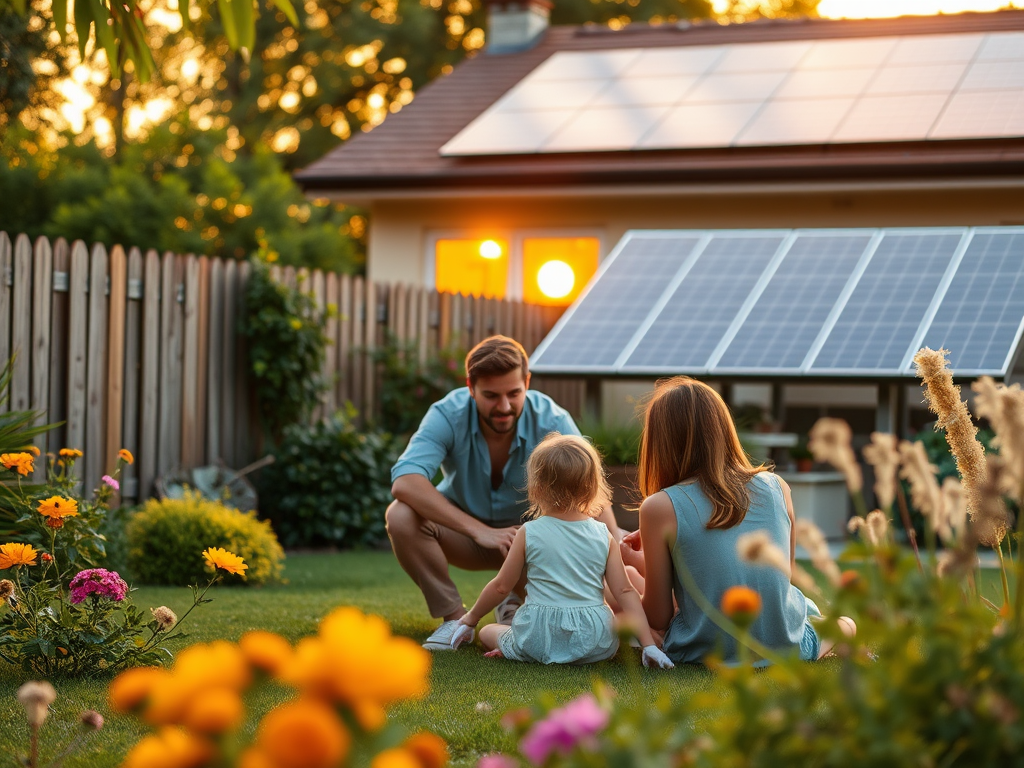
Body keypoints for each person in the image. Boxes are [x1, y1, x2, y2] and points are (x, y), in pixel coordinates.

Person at [388, 336, 623, 651]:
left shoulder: (552, 419)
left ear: (527, 382)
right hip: (463, 535)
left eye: (514, 393)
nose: (504, 406)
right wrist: (480, 531)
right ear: (470, 387)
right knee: (400, 515)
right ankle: (454, 620)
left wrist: (615, 540)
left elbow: (588, 489)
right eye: (490, 396)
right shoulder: (446, 413)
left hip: (530, 542)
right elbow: (405, 480)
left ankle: (515, 606)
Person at [620, 377, 856, 664]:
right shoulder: (777, 486)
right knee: (844, 623)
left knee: (636, 615)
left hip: (702, 650)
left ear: (659, 442)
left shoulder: (658, 507)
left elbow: (658, 617)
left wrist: (634, 561)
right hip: (786, 646)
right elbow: (781, 578)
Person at [449, 433, 673, 668]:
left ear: (537, 486)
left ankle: (512, 648)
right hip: (596, 644)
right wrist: (648, 645)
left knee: (488, 631)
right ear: (593, 487)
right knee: (611, 618)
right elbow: (625, 591)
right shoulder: (603, 534)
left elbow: (502, 586)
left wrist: (469, 620)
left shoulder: (529, 532)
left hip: (537, 639)